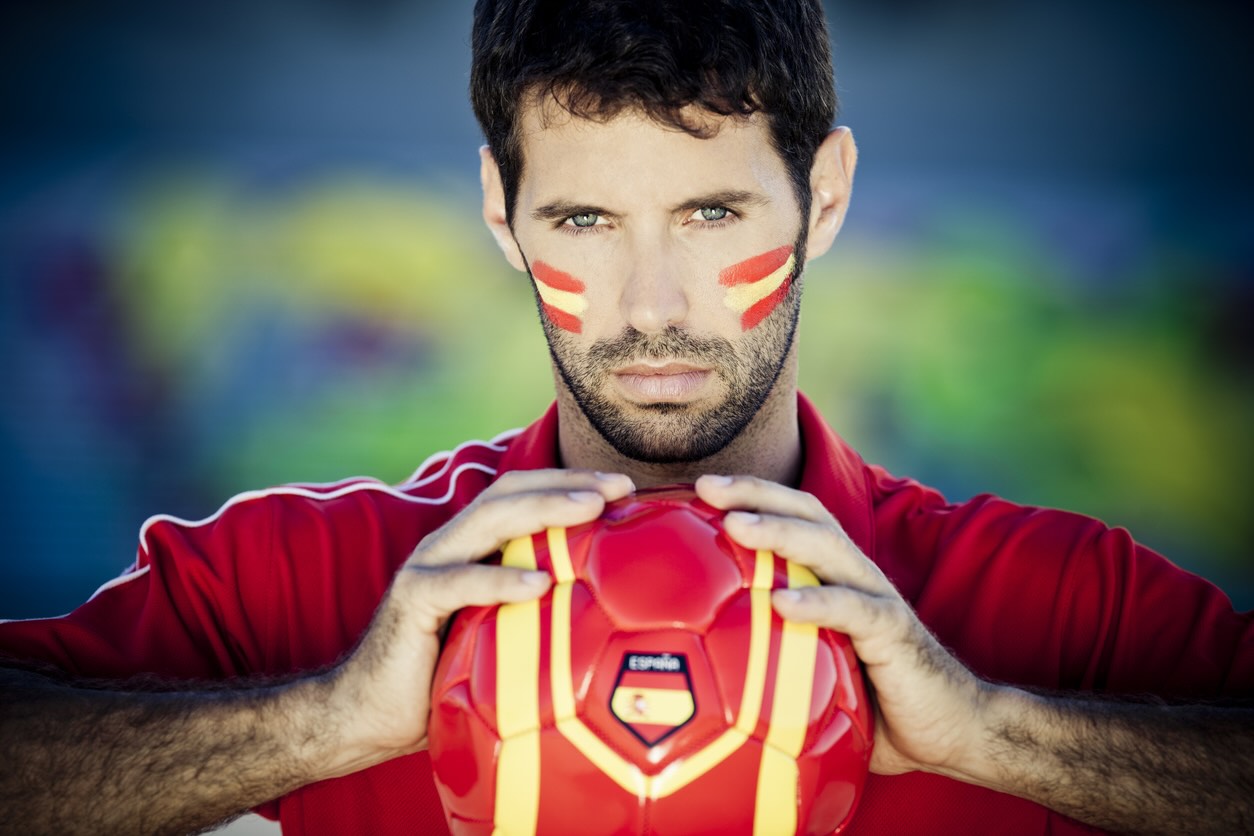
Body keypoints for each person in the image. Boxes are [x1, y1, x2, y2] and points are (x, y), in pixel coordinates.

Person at [2, 0, 1251, 833]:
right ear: (501, 209)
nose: (652, 309)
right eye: (584, 222)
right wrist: (326, 718)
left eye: (713, 215)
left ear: (825, 196)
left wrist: (991, 730)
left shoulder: (1053, 605)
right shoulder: (310, 583)